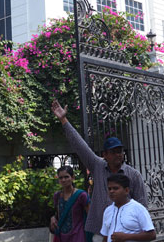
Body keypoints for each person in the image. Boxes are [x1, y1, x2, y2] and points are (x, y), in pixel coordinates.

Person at [52, 100, 147, 242]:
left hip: (126, 234)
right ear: (105, 155)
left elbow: (142, 207)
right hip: (100, 232)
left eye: (120, 151)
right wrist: (64, 120)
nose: (118, 155)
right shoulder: (98, 166)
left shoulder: (134, 175)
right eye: (113, 152)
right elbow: (80, 146)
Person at [100, 174, 155, 242]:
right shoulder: (108, 211)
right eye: (109, 189)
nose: (111, 191)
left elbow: (152, 235)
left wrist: (126, 237)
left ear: (126, 190)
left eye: (115, 188)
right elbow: (105, 236)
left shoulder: (138, 208)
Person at [51, 166, 90, 242]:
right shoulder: (57, 196)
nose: (63, 180)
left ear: (73, 178)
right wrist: (53, 218)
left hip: (78, 235)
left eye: (66, 177)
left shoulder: (81, 195)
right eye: (61, 178)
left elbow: (90, 216)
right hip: (61, 236)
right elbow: (57, 214)